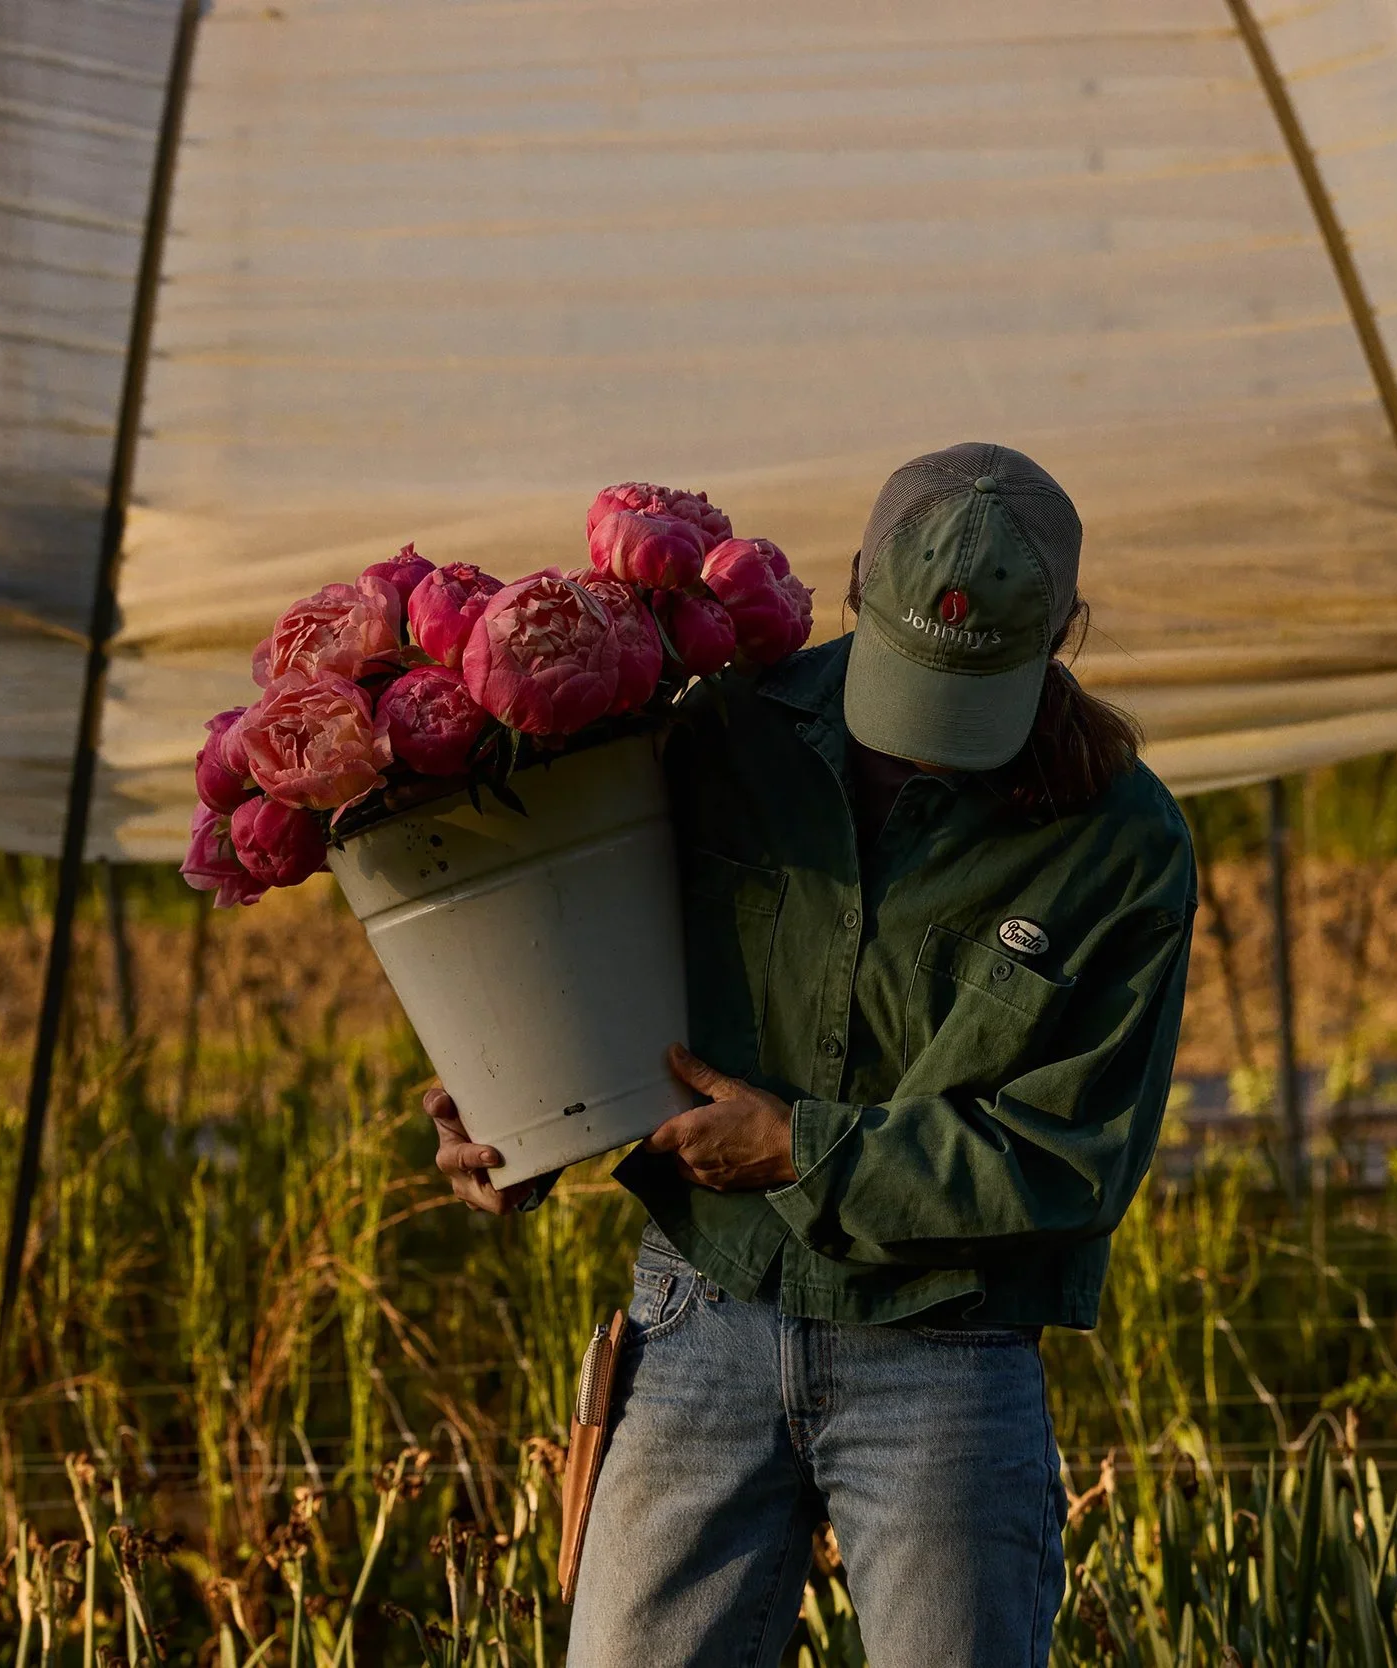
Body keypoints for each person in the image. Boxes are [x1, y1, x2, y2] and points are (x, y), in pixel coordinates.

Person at [422, 442, 1197, 1666]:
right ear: (850, 590)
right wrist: (514, 1105)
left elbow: (1073, 1161)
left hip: (942, 1352)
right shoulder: (722, 734)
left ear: (1063, 638)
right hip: (702, 1312)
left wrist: (802, 1147)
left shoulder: (1120, 843)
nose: (934, 743)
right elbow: (589, 962)